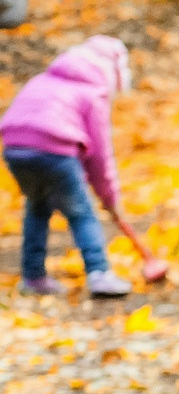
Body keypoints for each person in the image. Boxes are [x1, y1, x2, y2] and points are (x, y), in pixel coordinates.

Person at [2, 35, 145, 298]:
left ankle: (33, 276)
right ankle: (99, 272)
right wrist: (109, 196)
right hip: (54, 150)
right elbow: (100, 154)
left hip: (14, 149)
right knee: (81, 212)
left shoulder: (43, 80)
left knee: (37, 205)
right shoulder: (92, 93)